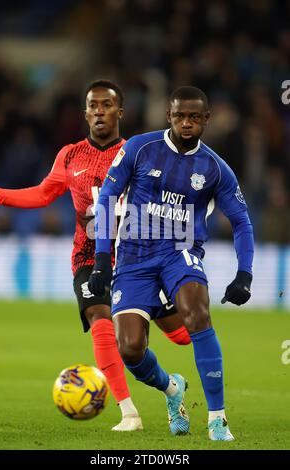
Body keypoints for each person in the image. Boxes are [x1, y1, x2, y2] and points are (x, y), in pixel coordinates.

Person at [0, 80, 191, 431]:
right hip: (88, 258)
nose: (99, 111)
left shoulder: (139, 152)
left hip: (139, 258)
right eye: (93, 106)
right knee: (100, 321)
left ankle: (172, 386)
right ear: (85, 113)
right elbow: (41, 195)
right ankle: (129, 412)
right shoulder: (69, 155)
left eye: (107, 105)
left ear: (120, 112)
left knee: (181, 335)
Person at [89, 86, 254, 440]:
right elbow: (107, 196)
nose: (187, 123)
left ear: (206, 120)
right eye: (180, 116)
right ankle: (172, 389)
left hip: (181, 250)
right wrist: (103, 256)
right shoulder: (139, 148)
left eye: (195, 117)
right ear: (169, 116)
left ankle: (217, 419)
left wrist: (245, 274)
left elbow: (241, 221)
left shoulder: (215, 168)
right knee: (131, 347)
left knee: (197, 313)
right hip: (133, 256)